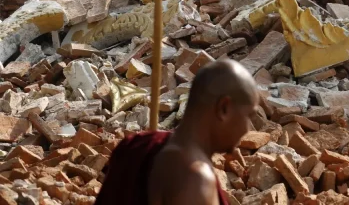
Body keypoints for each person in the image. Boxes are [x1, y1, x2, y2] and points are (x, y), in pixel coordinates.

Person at [95, 59, 263, 205]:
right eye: (248, 116)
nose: (248, 129)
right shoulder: (195, 178)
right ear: (224, 108)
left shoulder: (136, 147)